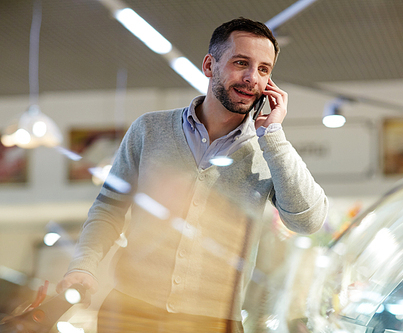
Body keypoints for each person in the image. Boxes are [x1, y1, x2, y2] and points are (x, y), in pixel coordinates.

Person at [57, 17, 328, 332]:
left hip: (214, 322)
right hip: (129, 313)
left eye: (264, 69)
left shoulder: (268, 150)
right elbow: (109, 208)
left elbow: (307, 222)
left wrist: (275, 135)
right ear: (210, 65)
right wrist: (84, 268)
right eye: (241, 63)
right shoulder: (149, 129)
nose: (252, 78)